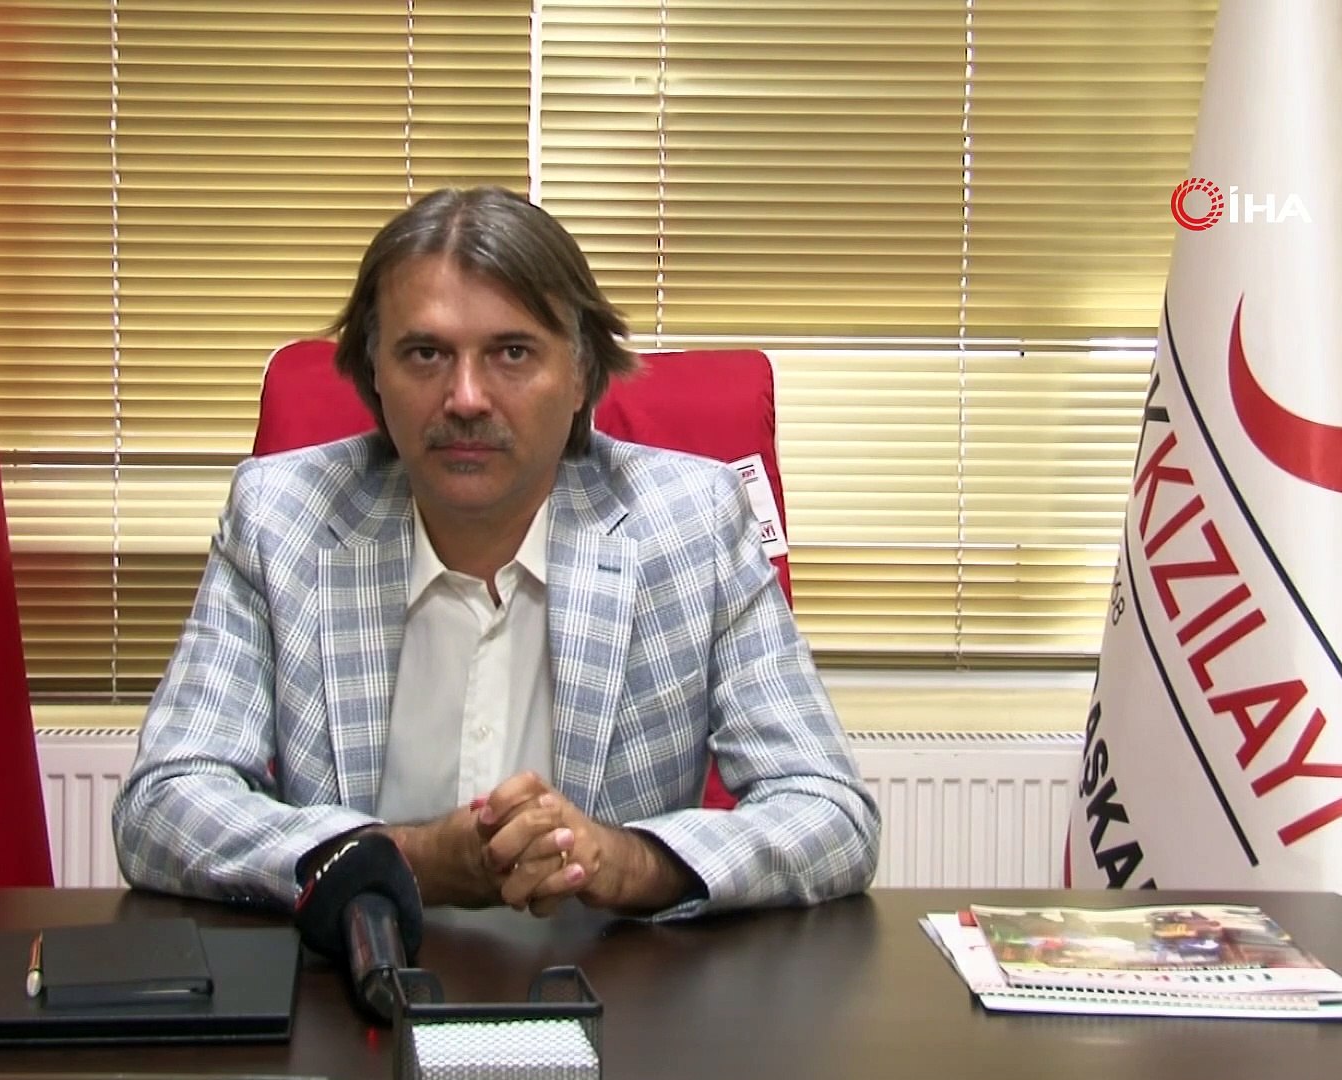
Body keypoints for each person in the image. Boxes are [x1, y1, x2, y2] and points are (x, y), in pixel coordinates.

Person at [112, 186, 878, 920]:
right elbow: (162, 807)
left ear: (580, 375)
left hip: (615, 984)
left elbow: (829, 813)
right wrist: (406, 860)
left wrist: (624, 863)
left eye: (512, 352)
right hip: (357, 979)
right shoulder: (282, 518)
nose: (468, 398)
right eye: (425, 354)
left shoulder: (691, 523)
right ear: (373, 374)